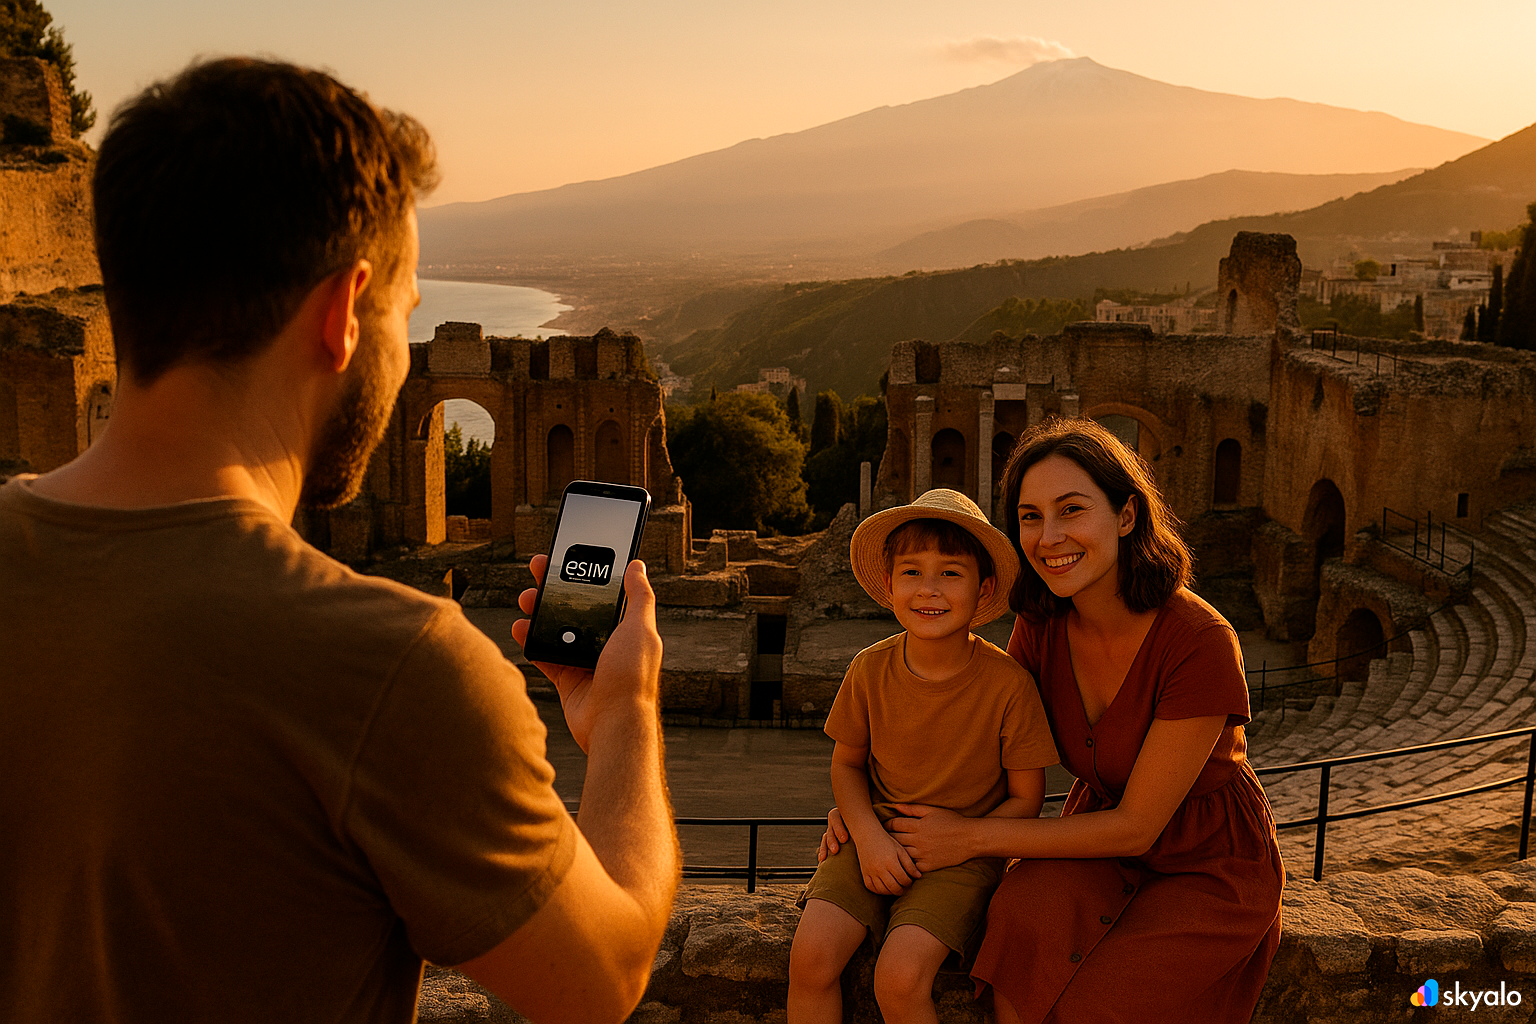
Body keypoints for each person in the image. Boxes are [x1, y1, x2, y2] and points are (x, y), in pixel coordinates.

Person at [0, 59, 678, 1024]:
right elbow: (602, 979)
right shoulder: (392, 668)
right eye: (400, 314)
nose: (400, 349)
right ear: (340, 312)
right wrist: (625, 718)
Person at [821, 419, 1284, 1024]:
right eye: (1031, 516)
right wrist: (866, 806)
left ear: (1125, 516)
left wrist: (968, 837)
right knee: (1017, 931)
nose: (1049, 537)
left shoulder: (1199, 641)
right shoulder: (1041, 626)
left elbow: (1138, 827)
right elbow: (985, 738)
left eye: (1071, 510)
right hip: (1092, 831)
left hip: (1203, 855)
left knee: (1098, 1002)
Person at [789, 489, 1059, 1024]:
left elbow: (1027, 799)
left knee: (900, 978)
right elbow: (846, 764)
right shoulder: (869, 670)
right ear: (889, 584)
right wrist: (867, 836)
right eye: (911, 572)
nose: (928, 590)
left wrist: (960, 839)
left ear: (982, 589)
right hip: (873, 839)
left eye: (950, 573)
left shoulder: (1009, 685)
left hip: (961, 859)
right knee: (810, 958)